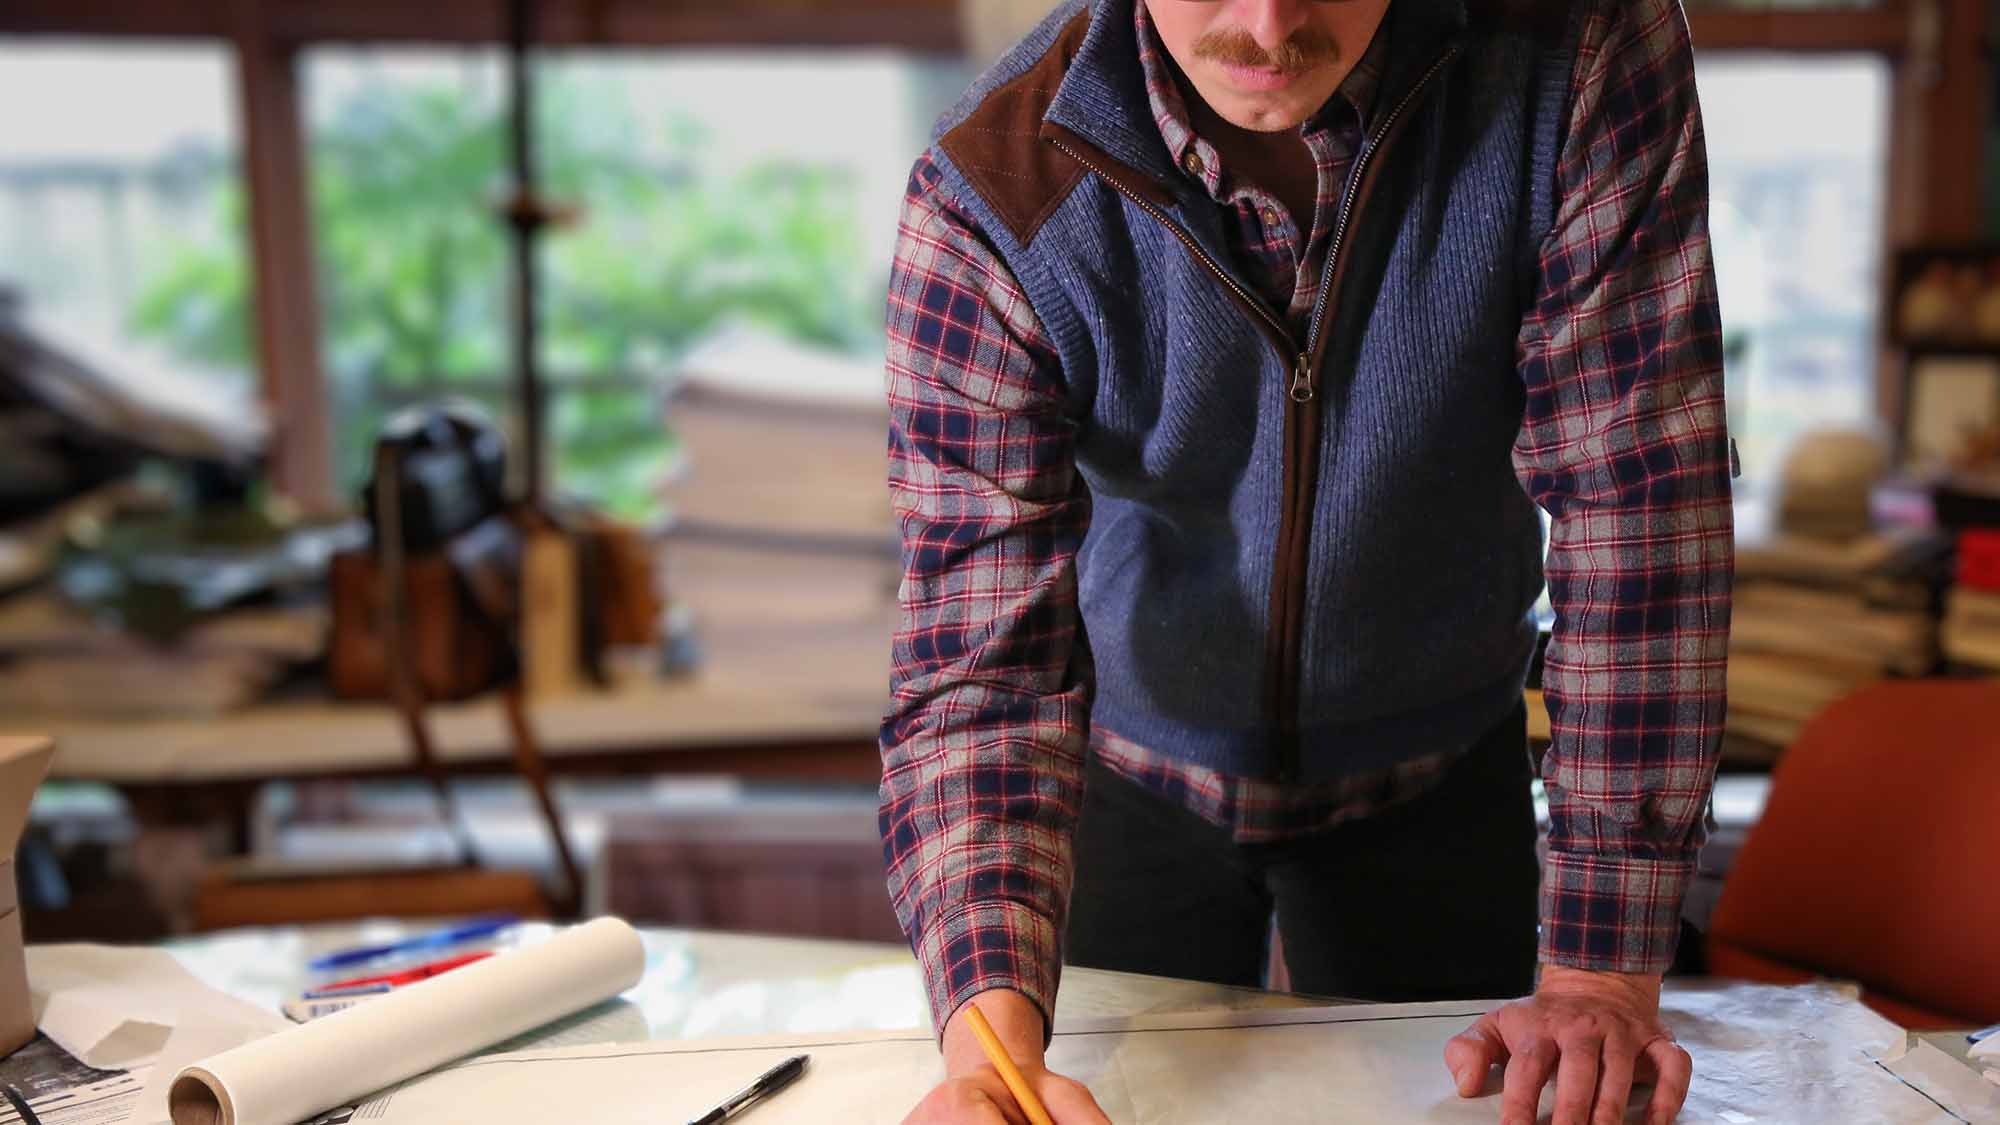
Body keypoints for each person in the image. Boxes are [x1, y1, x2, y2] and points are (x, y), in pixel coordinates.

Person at [879, 0, 1734, 1122]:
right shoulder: (987, 194)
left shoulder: (1573, 58)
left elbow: (1637, 510)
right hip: (1127, 776)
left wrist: (1598, 975)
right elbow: (980, 663)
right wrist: (987, 1051)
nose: (1269, 25)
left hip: (1440, 767)